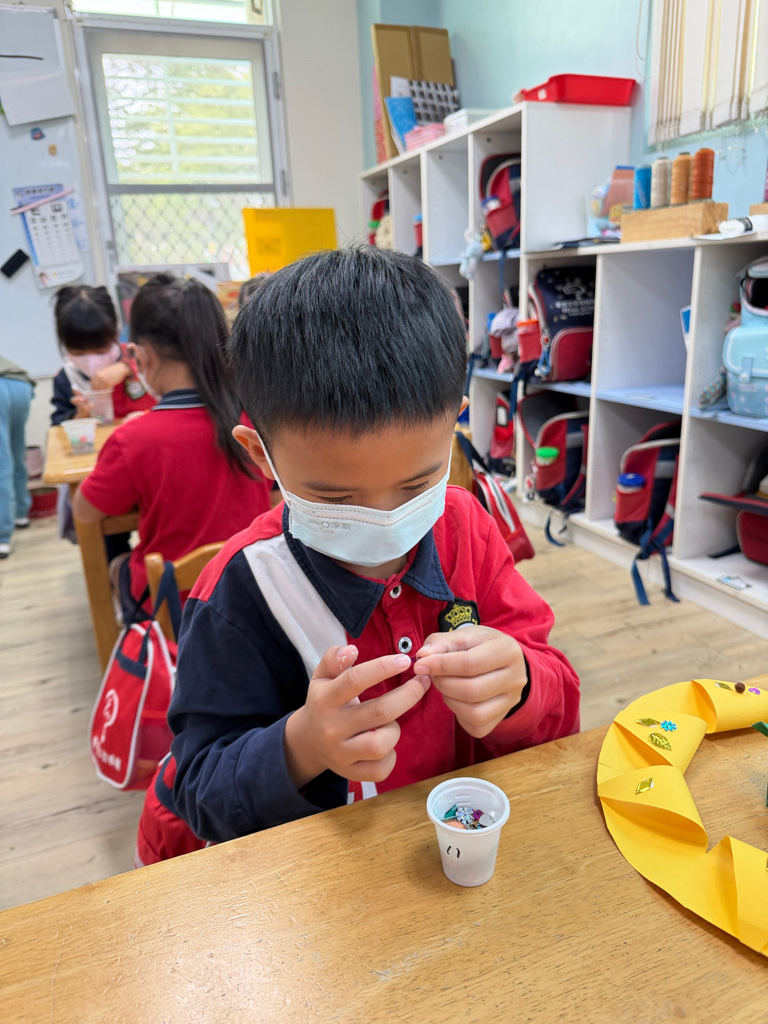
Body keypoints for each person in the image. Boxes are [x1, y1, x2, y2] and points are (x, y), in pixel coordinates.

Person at [135, 246, 580, 865]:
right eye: (336, 497)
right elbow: (200, 789)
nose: (385, 521)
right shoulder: (241, 590)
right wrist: (301, 745)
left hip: (458, 849)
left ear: (455, 425)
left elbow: (559, 694)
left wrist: (522, 684)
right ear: (262, 456)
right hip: (323, 879)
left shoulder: (465, 528)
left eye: (417, 484)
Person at [72, 273, 273, 621]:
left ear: (140, 355)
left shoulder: (134, 439)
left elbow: (85, 512)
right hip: (254, 595)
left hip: (173, 608)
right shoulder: (254, 419)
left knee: (118, 564)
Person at [51, 286, 155, 425]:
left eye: (100, 351)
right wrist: (79, 417)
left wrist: (129, 367)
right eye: (79, 353)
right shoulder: (66, 378)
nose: (91, 362)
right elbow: (58, 424)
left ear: (115, 333)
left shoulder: (141, 356)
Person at [0, 356, 35, 559]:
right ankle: (21, 513)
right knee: (14, 453)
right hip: (21, 386)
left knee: (2, 463)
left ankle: (2, 537)